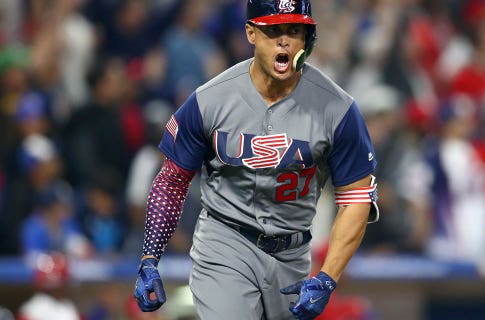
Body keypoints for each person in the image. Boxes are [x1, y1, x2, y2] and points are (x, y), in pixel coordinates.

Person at [132, 1, 379, 319]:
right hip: (225, 242)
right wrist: (150, 256)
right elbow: (172, 179)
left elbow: (356, 197)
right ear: (251, 33)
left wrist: (328, 276)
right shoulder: (210, 99)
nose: (285, 41)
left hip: (293, 252)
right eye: (273, 30)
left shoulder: (338, 108)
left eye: (295, 31)